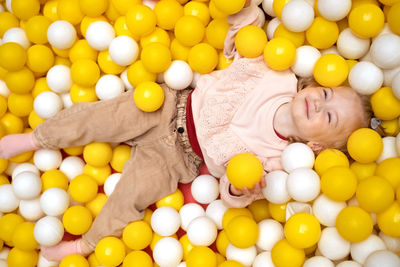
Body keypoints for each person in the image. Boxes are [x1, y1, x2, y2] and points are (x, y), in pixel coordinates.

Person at [0, 1, 371, 262]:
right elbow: (247, 33)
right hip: (164, 106)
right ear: (312, 85)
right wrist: (242, 11)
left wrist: (241, 189)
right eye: (324, 94)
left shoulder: (282, 160)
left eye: (329, 117)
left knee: (130, 196)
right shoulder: (278, 72)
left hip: (177, 160)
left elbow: (233, 191)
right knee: (98, 117)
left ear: (316, 144)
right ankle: (37, 139)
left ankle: (85, 245)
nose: (319, 105)